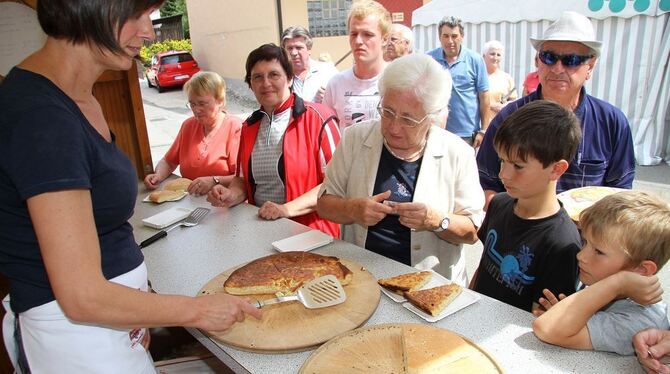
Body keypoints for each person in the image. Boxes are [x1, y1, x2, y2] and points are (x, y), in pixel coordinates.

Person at [0, 1, 261, 372]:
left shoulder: (81, 97)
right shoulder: (41, 117)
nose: (149, 32)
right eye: (136, 14)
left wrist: (134, 312)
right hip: (73, 340)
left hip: (111, 324)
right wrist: (197, 310)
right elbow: (81, 295)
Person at [316, 54, 484, 285]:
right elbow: (324, 205)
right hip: (362, 276)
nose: (394, 127)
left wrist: (436, 220)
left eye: (408, 119)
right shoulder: (355, 138)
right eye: (387, 112)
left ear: (432, 117)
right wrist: (353, 209)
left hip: (430, 285)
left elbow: (472, 232)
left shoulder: (457, 153)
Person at [477, 11, 635, 209]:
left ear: (591, 66)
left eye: (572, 60)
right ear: (537, 61)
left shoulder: (612, 122)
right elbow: (484, 184)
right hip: (521, 234)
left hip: (586, 238)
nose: (558, 68)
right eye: (549, 57)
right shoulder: (509, 118)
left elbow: (621, 195)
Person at [206, 44, 341, 237]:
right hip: (262, 230)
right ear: (250, 85)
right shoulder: (249, 127)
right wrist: (230, 195)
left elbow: (336, 185)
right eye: (257, 77)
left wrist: (285, 209)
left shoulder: (319, 118)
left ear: (289, 78)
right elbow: (242, 180)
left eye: (274, 74)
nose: (266, 83)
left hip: (311, 234)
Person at [470, 100, 583, 313]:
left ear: (557, 169)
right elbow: (483, 267)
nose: (503, 174)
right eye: (502, 161)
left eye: (518, 166)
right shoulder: (499, 204)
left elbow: (542, 318)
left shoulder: (563, 243)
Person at [533, 191, 670, 356]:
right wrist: (563, 312)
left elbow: (547, 329)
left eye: (598, 251)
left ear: (641, 270)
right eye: (585, 242)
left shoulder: (640, 321)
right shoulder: (600, 279)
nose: (580, 255)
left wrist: (618, 283)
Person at [144, 71, 242, 195]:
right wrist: (158, 176)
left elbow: (242, 178)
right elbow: (169, 162)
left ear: (220, 101)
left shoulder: (236, 128)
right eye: (192, 104)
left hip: (223, 202)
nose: (196, 110)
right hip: (190, 199)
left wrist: (214, 181)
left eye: (202, 103)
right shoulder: (188, 126)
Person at [323, 0, 390, 129]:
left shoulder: (397, 81)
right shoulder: (336, 84)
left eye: (367, 35)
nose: (358, 41)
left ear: (384, 39)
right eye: (354, 34)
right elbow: (328, 133)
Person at [427, 16, 491, 147]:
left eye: (454, 36)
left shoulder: (475, 60)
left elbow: (484, 98)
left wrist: (483, 130)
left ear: (462, 37)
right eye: (445, 36)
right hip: (436, 130)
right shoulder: (429, 59)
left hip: (466, 134)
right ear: (439, 37)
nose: (450, 41)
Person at [281, 26, 338, 103]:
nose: (294, 53)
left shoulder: (328, 72)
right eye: (290, 48)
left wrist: (329, 99)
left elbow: (344, 100)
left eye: (298, 48)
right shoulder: (279, 77)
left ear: (309, 49)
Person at [482, 40, 517, 122]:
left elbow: (514, 101)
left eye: (498, 55)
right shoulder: (477, 77)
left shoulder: (507, 78)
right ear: (484, 56)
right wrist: (492, 106)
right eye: (492, 54)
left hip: (500, 124)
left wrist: (505, 106)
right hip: (480, 125)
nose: (495, 58)